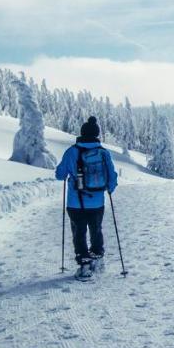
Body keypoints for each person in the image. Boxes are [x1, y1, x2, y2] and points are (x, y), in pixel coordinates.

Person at [55, 116, 118, 276]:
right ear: (97, 135)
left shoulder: (71, 152)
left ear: (82, 133)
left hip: (75, 203)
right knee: (96, 229)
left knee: (79, 232)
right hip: (97, 203)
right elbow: (112, 176)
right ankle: (97, 258)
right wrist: (109, 189)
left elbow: (60, 175)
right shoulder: (104, 153)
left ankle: (84, 265)